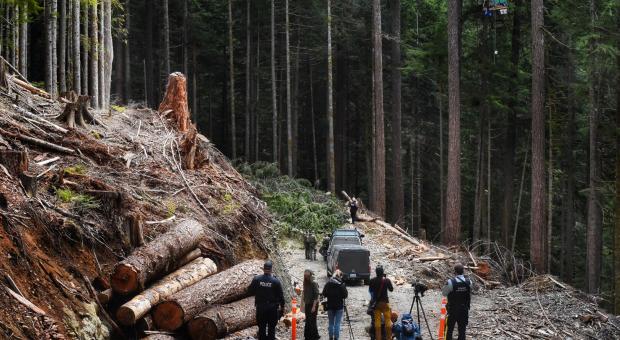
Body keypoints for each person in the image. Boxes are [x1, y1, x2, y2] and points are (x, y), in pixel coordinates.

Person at [248, 260, 285, 340]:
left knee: (262, 327)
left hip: (261, 307)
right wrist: (282, 307)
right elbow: (281, 296)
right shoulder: (276, 281)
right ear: (271, 270)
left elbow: (250, 291)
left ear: (263, 269)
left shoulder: (257, 279)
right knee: (271, 328)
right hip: (272, 308)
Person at [441, 263, 472, 340]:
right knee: (462, 330)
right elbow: (469, 293)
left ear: (455, 272)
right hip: (464, 309)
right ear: (463, 271)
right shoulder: (469, 282)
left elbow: (444, 293)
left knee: (450, 329)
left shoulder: (451, 282)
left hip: (453, 309)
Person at [369, 265, 394, 340]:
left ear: (376, 272)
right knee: (388, 321)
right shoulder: (386, 280)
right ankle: (389, 337)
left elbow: (370, 291)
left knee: (377, 323)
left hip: (376, 304)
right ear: (383, 272)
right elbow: (391, 289)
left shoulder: (372, 280)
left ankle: (378, 338)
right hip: (385, 303)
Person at [321, 270, 348, 340]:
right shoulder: (341, 285)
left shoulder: (328, 284)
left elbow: (324, 294)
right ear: (339, 276)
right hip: (339, 306)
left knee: (331, 323)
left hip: (330, 306)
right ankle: (336, 337)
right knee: (337, 323)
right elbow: (345, 295)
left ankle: (330, 337)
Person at [303, 269, 320, 340]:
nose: (306, 276)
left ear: (310, 275)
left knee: (312, 320)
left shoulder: (314, 283)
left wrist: (314, 306)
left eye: (307, 275)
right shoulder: (305, 282)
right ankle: (307, 335)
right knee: (308, 320)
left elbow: (316, 295)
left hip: (313, 304)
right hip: (307, 303)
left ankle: (314, 336)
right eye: (305, 275)